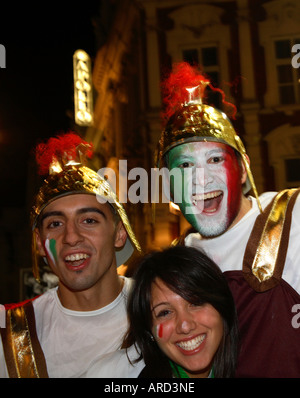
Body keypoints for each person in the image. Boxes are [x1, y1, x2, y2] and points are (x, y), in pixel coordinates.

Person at [155, 62, 300, 377]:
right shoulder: (171, 271)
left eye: (215, 159)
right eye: (184, 167)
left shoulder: (295, 216)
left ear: (244, 169)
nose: (201, 180)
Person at [0, 132, 141, 378]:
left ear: (119, 233)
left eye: (88, 220)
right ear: (40, 244)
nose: (71, 237)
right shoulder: (11, 334)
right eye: (55, 224)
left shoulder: (163, 309)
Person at [84, 245, 238, 378]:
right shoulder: (113, 374)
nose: (185, 325)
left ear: (222, 307)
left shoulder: (252, 364)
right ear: (148, 330)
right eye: (164, 313)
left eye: (196, 303)